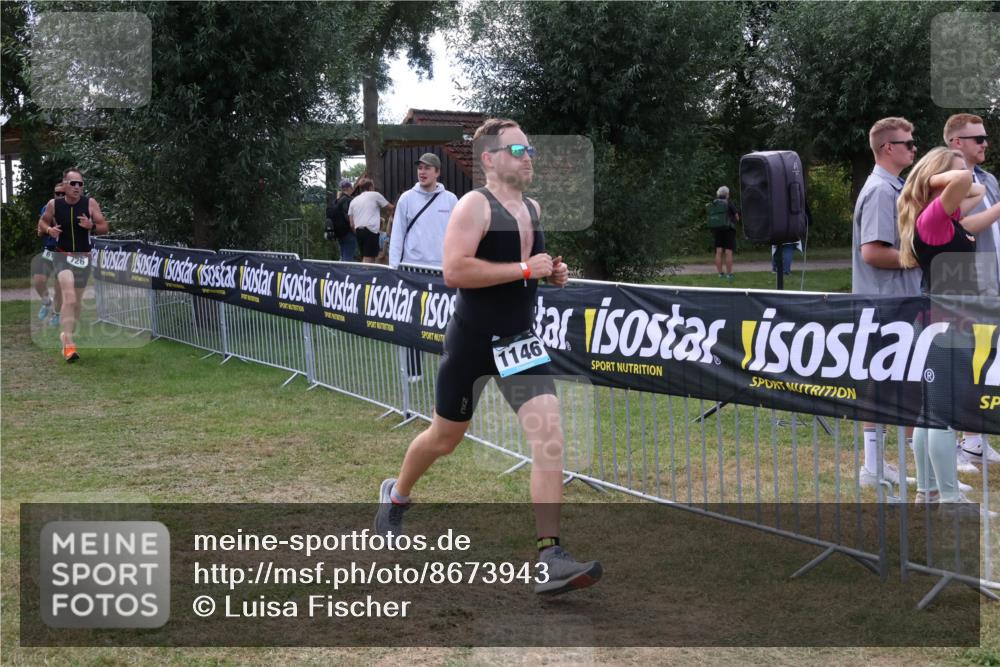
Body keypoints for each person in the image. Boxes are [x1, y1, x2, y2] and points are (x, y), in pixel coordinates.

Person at [374, 118, 602, 596]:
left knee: (549, 438)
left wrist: (548, 273)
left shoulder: (532, 208)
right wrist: (524, 267)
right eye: (520, 150)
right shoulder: (475, 205)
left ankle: (550, 556)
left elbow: (522, 271)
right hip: (473, 342)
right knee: (443, 438)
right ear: (491, 159)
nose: (530, 158)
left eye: (531, 149)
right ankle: (395, 496)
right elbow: (455, 270)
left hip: (519, 342)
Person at [897, 146, 1000, 512]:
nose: (968, 176)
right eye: (959, 170)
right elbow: (964, 183)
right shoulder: (934, 220)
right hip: (946, 325)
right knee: (943, 413)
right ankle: (951, 501)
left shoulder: (945, 220)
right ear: (939, 178)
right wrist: (939, 175)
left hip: (942, 322)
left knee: (931, 412)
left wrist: (946, 177)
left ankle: (928, 492)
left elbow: (975, 194)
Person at [850, 117, 920, 489]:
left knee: (901, 383)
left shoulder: (897, 186)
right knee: (878, 384)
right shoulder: (880, 190)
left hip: (898, 301)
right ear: (887, 148)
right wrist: (919, 257)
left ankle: (886, 464)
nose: (914, 148)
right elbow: (872, 253)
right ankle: (872, 467)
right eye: (908, 143)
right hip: (884, 304)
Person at [944, 113, 1000, 467]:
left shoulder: (989, 178)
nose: (984, 143)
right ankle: (953, 442)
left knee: (985, 360)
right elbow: (956, 226)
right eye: (976, 138)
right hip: (961, 282)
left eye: (984, 138)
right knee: (959, 362)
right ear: (956, 143)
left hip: (991, 281)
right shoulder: (947, 181)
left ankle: (976, 440)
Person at [37, 168, 108, 362]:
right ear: (65, 184)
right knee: (68, 297)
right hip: (62, 255)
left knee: (76, 303)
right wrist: (49, 229)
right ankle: (68, 345)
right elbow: (42, 223)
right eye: (73, 183)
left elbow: (104, 226)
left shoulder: (90, 203)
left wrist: (91, 226)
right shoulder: (54, 204)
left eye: (80, 184)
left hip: (83, 258)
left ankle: (66, 334)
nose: (77, 187)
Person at [387, 152, 458, 269]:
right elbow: (397, 235)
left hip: (441, 267)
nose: (422, 172)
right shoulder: (406, 198)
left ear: (437, 172)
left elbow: (457, 236)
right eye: (420, 168)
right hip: (411, 266)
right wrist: (393, 267)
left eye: (427, 168)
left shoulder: (451, 199)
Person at [31, 182, 66, 326]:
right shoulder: (48, 207)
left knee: (59, 288)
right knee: (39, 281)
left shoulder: (75, 208)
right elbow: (40, 229)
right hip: (49, 250)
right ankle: (46, 303)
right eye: (57, 193)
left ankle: (56, 315)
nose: (59, 196)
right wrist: (48, 229)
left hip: (65, 252)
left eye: (63, 193)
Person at [348, 178, 393, 263]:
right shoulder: (375, 195)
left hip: (358, 231)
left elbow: (351, 224)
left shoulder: (353, 201)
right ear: (371, 187)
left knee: (364, 257)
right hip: (370, 230)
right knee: (370, 259)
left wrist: (358, 232)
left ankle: (363, 275)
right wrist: (390, 218)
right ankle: (366, 276)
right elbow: (391, 208)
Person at [706, 186, 739, 280]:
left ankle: (720, 274)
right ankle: (729, 275)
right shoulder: (729, 203)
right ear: (727, 194)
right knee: (728, 252)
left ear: (718, 194)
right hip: (729, 230)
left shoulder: (714, 203)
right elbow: (737, 217)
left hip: (717, 230)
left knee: (718, 251)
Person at [327, 178, 357, 261]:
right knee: (348, 258)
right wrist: (355, 231)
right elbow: (349, 217)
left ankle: (339, 273)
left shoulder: (336, 201)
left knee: (343, 256)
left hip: (339, 233)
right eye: (351, 187)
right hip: (348, 232)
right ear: (349, 188)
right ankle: (345, 274)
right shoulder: (348, 200)